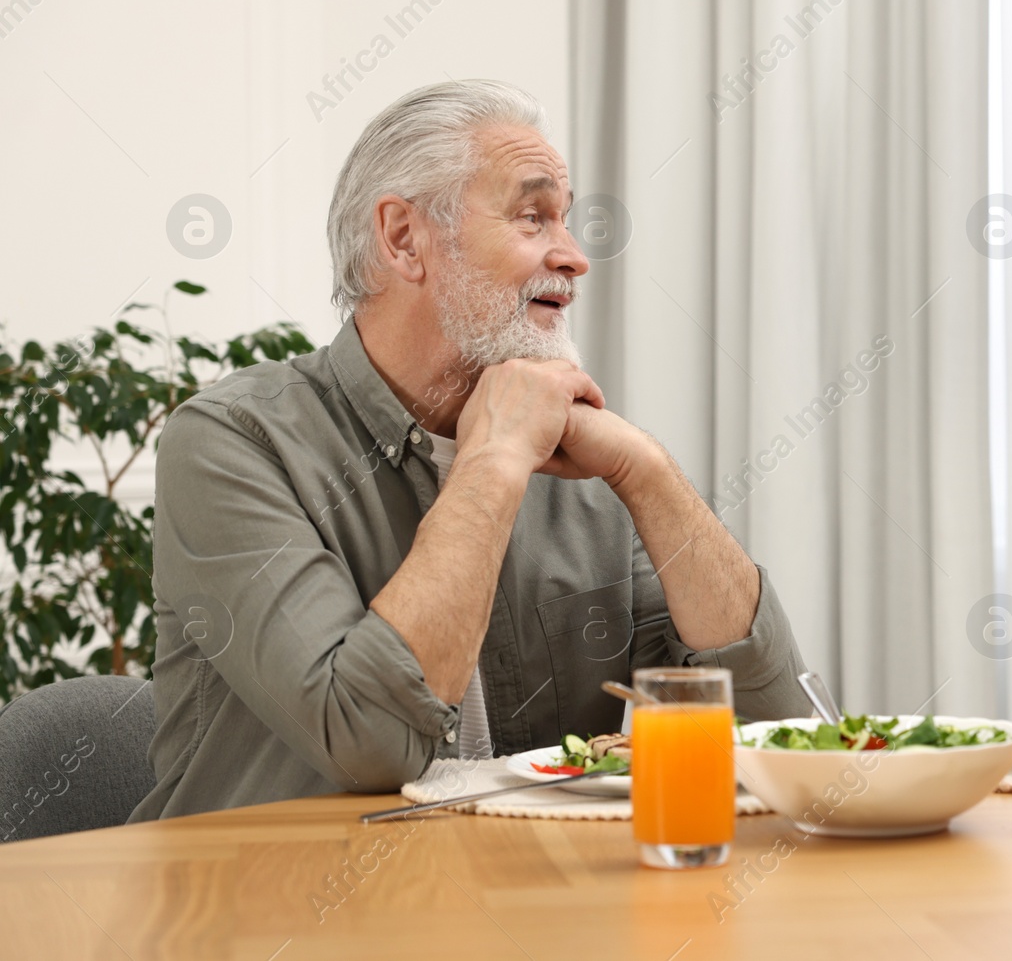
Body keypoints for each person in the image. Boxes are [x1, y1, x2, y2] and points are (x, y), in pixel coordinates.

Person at [130, 80, 812, 820]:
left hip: (520, 913)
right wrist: (491, 462)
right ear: (402, 238)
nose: (576, 256)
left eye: (568, 220)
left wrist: (645, 472)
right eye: (533, 216)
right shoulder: (234, 442)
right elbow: (373, 740)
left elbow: (776, 734)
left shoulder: (584, 467)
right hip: (282, 922)